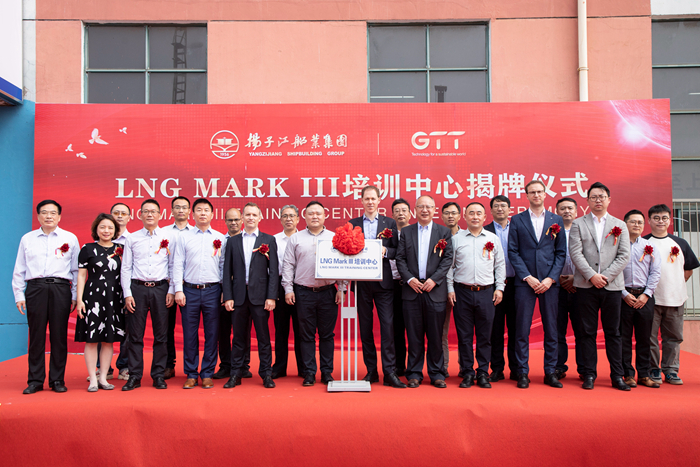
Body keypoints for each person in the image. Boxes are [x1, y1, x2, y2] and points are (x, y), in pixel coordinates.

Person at [569, 182, 631, 391]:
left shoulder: (619, 225)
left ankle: (617, 375)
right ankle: (589, 374)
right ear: (587, 200)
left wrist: (605, 277)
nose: (598, 200)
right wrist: (592, 276)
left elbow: (624, 255)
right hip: (585, 286)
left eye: (601, 196)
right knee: (587, 332)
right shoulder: (578, 224)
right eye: (594, 197)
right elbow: (575, 253)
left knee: (613, 332)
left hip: (612, 287)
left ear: (609, 199)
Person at [13, 200, 79, 394]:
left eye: (53, 213)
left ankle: (57, 380)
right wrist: (19, 294)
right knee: (36, 336)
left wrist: (74, 295)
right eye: (44, 212)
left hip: (61, 288)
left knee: (59, 336)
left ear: (59, 216)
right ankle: (35, 380)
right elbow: (19, 268)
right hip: (36, 288)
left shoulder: (70, 238)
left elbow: (76, 270)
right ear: (38, 216)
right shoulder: (28, 239)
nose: (48, 216)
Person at [508, 180, 566, 389]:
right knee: (522, 329)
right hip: (525, 283)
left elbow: (560, 252)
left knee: (551, 329)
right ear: (526, 195)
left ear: (545, 194)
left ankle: (550, 372)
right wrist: (527, 277)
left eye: (540, 191)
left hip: (549, 283)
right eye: (532, 192)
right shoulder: (517, 220)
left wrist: (550, 278)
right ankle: (522, 372)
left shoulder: (555, 220)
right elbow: (513, 251)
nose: (536, 195)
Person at [282, 201, 345, 386]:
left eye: (318, 213)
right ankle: (309, 372)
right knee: (306, 335)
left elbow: (344, 264)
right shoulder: (296, 238)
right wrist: (288, 289)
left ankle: (327, 372)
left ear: (325, 215)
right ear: (304, 216)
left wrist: (342, 288)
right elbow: (288, 265)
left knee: (327, 335)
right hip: (303, 292)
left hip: (328, 293)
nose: (315, 216)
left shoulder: (335, 238)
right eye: (311, 213)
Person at [349, 186, 403, 387]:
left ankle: (389, 371)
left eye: (373, 198)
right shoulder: (353, 224)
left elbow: (397, 250)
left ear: (379, 200)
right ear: (361, 201)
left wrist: (385, 251)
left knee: (387, 327)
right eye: (367, 199)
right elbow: (345, 249)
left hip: (384, 283)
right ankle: (371, 370)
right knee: (365, 328)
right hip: (361, 282)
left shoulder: (390, 223)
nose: (370, 202)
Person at [396, 195, 452, 388]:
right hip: (412, 291)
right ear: (415, 210)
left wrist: (434, 280)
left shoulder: (443, 232)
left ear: (434, 210)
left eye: (429, 207)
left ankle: (437, 373)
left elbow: (447, 259)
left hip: (434, 291)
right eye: (421, 207)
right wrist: (410, 279)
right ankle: (414, 373)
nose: (425, 210)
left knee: (436, 336)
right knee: (414, 336)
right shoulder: (407, 232)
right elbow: (400, 259)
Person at [447, 202, 505, 388]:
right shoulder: (456, 239)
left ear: (485, 217)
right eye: (471, 213)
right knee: (464, 336)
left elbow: (500, 265)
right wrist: (450, 289)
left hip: (486, 292)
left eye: (478, 213)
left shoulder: (492, 238)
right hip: (461, 292)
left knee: (485, 336)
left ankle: (482, 372)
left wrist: (500, 288)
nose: (475, 216)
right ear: (464, 216)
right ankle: (467, 372)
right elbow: (449, 266)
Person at [120, 199, 175, 391]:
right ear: (140, 215)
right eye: (146, 211)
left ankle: (158, 375)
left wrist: (171, 290)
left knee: (161, 335)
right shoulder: (132, 238)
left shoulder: (169, 237)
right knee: (135, 335)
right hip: (138, 289)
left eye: (153, 211)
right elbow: (126, 267)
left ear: (160, 214)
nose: (149, 214)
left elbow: (173, 265)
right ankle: (135, 376)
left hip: (161, 289)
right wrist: (127, 293)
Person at [223, 203, 278, 389]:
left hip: (260, 297)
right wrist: (228, 297)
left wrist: (271, 296)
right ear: (242, 218)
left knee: (263, 338)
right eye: (247, 215)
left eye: (254, 215)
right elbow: (227, 271)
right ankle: (235, 374)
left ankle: (266, 374)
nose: (250, 218)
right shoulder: (233, 241)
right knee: (238, 338)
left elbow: (273, 271)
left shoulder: (268, 240)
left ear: (260, 217)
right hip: (238, 297)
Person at [173, 198, 226, 389]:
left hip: (213, 290)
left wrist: (224, 291)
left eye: (206, 210)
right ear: (192, 214)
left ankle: (207, 373)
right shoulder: (184, 237)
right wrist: (178, 290)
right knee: (190, 334)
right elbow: (177, 264)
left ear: (212, 214)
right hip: (189, 291)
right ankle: (191, 373)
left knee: (212, 334)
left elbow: (223, 267)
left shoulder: (221, 238)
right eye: (199, 210)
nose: (203, 213)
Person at [644, 204, 699, 385]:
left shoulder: (680, 243)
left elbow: (688, 269)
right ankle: (653, 369)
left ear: (670, 220)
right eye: (656, 218)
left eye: (664, 218)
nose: (660, 221)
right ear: (649, 220)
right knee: (650, 337)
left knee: (673, 337)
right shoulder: (643, 242)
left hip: (675, 299)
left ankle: (671, 370)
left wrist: (675, 285)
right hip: (650, 299)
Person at [75, 213, 125, 392]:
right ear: (96, 229)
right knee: (92, 339)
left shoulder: (121, 249)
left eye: (110, 227)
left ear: (115, 230)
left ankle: (104, 377)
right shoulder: (87, 249)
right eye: (102, 227)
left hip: (114, 297)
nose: (106, 230)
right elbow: (81, 276)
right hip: (92, 297)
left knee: (108, 341)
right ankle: (93, 379)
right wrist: (79, 300)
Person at [620, 210, 661, 388]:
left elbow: (655, 272)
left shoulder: (649, 246)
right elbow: (612, 271)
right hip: (623, 297)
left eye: (640, 222)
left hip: (645, 297)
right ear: (625, 224)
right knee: (624, 338)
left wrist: (646, 294)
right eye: (633, 221)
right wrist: (624, 294)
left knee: (645, 337)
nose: (637, 225)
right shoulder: (616, 245)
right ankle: (628, 374)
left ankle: (644, 374)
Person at [213, 208, 252, 380]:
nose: (233, 223)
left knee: (243, 329)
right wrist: (224, 290)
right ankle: (225, 365)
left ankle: (243, 365)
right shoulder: (220, 241)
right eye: (230, 220)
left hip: (243, 292)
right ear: (225, 221)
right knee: (223, 329)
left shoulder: (249, 241)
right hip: (221, 291)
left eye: (236, 219)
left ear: (242, 220)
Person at [484, 195, 516, 382]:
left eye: (503, 206)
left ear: (510, 209)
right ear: (491, 210)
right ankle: (496, 368)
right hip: (493, 287)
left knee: (516, 329)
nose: (500, 209)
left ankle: (517, 368)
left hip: (516, 285)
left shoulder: (518, 229)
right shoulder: (485, 231)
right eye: (496, 206)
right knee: (495, 330)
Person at [271, 204, 305, 379]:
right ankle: (279, 367)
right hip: (279, 285)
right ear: (280, 219)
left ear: (298, 219)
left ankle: (304, 368)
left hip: (301, 285)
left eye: (292, 216)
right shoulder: (274, 240)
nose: (288, 219)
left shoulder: (304, 238)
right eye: (285, 216)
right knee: (281, 329)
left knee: (302, 329)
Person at [163, 196, 192, 380]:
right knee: (166, 328)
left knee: (190, 328)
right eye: (177, 207)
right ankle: (168, 364)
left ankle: (192, 368)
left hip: (189, 287)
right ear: (171, 211)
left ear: (189, 211)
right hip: (166, 287)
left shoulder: (196, 233)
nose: (181, 210)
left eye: (184, 207)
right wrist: (172, 288)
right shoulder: (163, 233)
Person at [554, 197, 581, 380]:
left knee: (582, 331)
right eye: (562, 208)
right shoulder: (551, 232)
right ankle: (558, 367)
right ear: (557, 211)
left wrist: (576, 278)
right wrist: (556, 277)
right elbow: (544, 257)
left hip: (580, 287)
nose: (566, 211)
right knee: (557, 331)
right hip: (556, 287)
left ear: (577, 211)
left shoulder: (583, 230)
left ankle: (585, 368)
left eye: (570, 208)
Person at [390, 198, 411, 376]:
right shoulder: (387, 234)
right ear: (392, 214)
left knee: (413, 327)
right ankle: (398, 365)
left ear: (410, 213)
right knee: (396, 327)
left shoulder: (415, 232)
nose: (400, 213)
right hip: (391, 285)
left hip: (412, 285)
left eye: (404, 210)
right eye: (397, 211)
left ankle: (414, 367)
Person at [440, 201, 461, 378]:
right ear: (442, 216)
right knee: (442, 331)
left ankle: (465, 367)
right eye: (447, 213)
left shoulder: (467, 235)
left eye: (453, 213)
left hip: (463, 288)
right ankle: (443, 367)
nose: (450, 216)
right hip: (441, 289)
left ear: (460, 215)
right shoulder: (437, 236)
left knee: (465, 332)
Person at [111, 202, 132, 381]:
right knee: (103, 328)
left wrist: (128, 292)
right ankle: (102, 367)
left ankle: (124, 365)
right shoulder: (99, 241)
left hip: (127, 291)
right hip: (104, 292)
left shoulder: (133, 240)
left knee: (128, 331)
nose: (119, 216)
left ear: (129, 217)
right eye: (116, 213)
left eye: (123, 213)